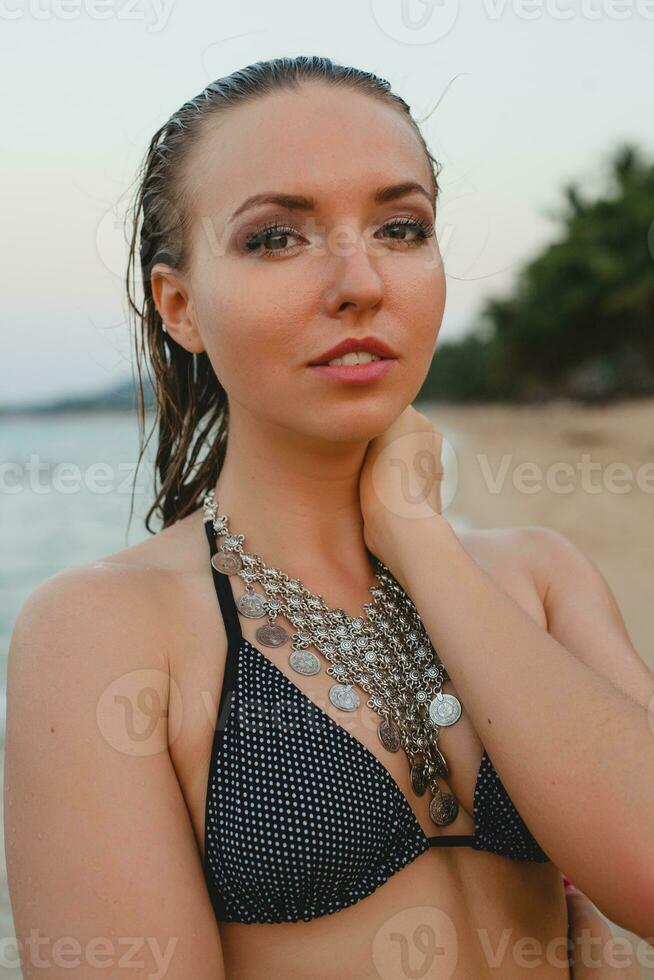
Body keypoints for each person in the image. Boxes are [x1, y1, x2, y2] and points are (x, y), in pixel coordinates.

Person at [5, 56, 652, 980]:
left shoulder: (539, 579)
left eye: (400, 227)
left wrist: (420, 538)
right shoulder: (105, 631)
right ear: (179, 306)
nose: (359, 282)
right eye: (276, 238)